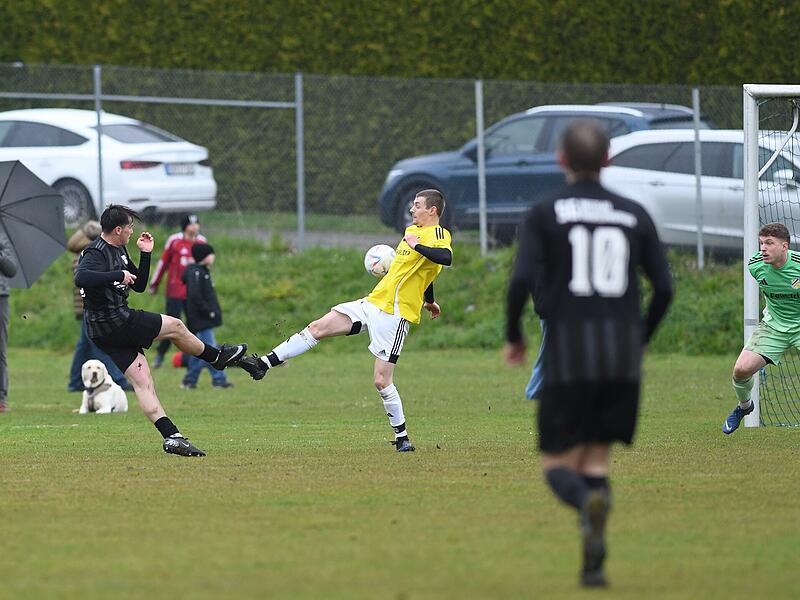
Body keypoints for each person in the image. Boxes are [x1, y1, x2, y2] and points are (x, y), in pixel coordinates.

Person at [504, 120, 673, 587]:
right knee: (596, 462)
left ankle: (583, 503)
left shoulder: (544, 212)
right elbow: (664, 288)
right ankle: (592, 568)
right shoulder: (634, 213)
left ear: (561, 159)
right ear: (608, 161)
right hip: (620, 357)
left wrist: (514, 335)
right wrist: (640, 338)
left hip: (569, 352)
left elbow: (520, 281)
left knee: (559, 465)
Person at [238, 189, 453, 452]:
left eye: (417, 205)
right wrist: (429, 300)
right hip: (373, 302)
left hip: (395, 314)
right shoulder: (411, 231)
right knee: (317, 327)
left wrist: (415, 245)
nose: (412, 209)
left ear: (432, 210)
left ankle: (402, 438)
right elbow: (423, 274)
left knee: (382, 380)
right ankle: (263, 364)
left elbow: (445, 258)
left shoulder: (437, 234)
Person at [75, 205, 247, 456]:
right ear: (118, 229)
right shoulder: (95, 251)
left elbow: (140, 285)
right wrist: (117, 274)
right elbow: (82, 278)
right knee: (176, 326)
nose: (133, 231)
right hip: (115, 322)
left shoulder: (120, 249)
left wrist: (145, 255)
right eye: (130, 227)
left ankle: (172, 437)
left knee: (144, 383)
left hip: (105, 331)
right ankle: (216, 358)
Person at [723, 222, 800, 434]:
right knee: (741, 370)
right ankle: (744, 407)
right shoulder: (755, 266)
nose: (763, 248)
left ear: (784, 247)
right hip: (774, 327)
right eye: (761, 243)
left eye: (769, 243)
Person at [67, 220, 132, 392]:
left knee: (84, 345)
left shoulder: (83, 252)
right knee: (100, 344)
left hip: (84, 306)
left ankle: (75, 382)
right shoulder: (92, 254)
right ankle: (118, 380)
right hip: (92, 307)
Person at [148, 214, 206, 369]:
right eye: (191, 224)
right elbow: (163, 263)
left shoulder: (201, 242)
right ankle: (160, 354)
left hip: (193, 293)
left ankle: (189, 358)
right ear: (185, 226)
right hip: (175, 291)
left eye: (196, 224)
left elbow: (205, 269)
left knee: (193, 326)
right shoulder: (175, 241)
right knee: (172, 325)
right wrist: (154, 283)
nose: (195, 227)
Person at [180, 243, 233, 390]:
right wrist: (208, 311)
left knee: (201, 351)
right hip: (201, 319)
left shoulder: (203, 272)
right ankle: (219, 380)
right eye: (211, 254)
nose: (213, 257)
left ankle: (190, 380)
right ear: (205, 256)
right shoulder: (196, 273)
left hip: (203, 320)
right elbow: (195, 296)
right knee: (212, 350)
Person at [0, 233, 18, 413]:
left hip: (0, 298)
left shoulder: (2, 238)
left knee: (0, 349)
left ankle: (1, 398)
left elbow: (12, 269)